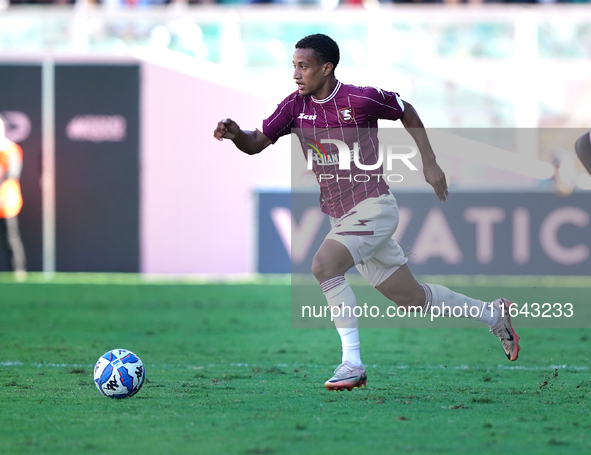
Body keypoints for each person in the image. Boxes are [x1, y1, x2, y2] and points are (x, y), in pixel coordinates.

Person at [213, 34, 520, 391]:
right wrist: (237, 135)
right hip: (342, 216)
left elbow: (405, 110)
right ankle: (492, 313)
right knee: (410, 298)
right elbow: (256, 143)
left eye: (303, 66)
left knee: (324, 265)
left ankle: (352, 363)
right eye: (294, 66)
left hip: (374, 206)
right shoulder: (294, 107)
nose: (296, 74)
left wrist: (430, 161)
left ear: (326, 68)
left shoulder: (360, 98)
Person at [0, 116, 27, 280]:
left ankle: (18, 273)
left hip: (6, 204)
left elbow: (12, 174)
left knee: (11, 239)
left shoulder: (11, 149)